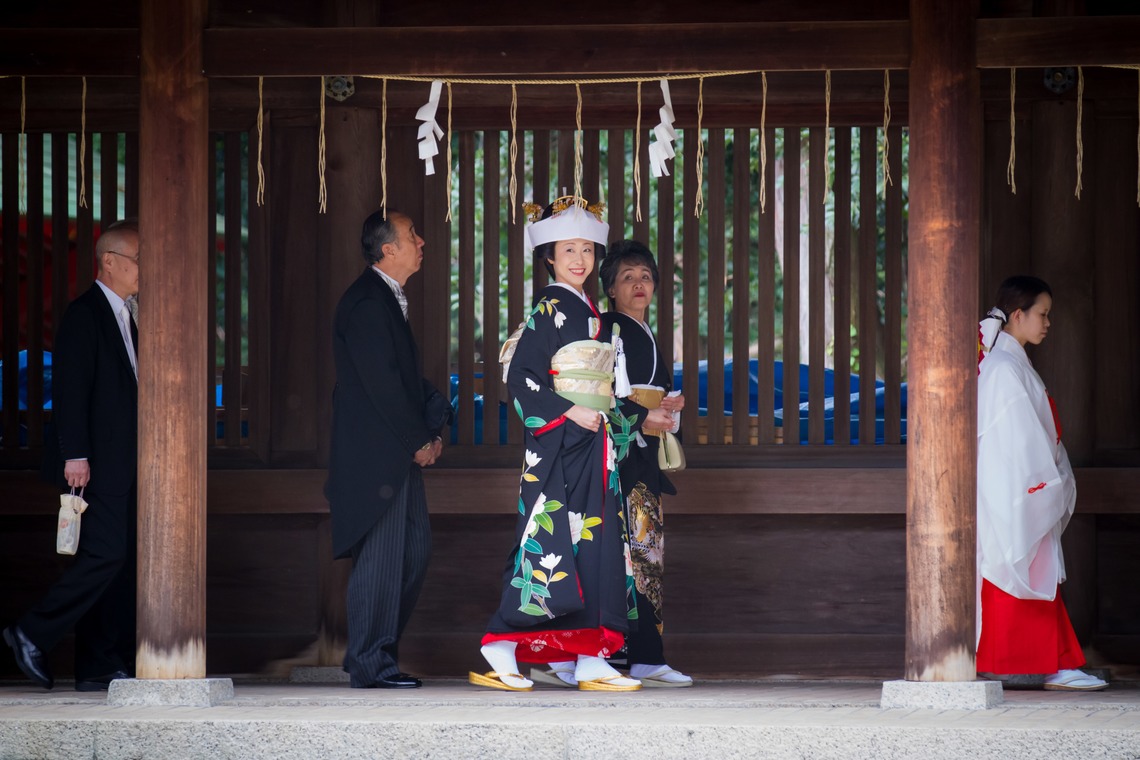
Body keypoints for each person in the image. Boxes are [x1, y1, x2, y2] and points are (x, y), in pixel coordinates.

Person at [472, 198, 674, 692]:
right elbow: (521, 377)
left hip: (590, 443)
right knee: (551, 548)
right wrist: (568, 412)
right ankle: (500, 642)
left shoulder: (589, 312)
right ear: (549, 256)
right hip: (561, 447)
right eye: (568, 249)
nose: (579, 258)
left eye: (586, 248)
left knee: (595, 550)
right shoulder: (551, 306)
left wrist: (607, 413)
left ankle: (588, 655)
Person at [3, 219, 140, 692]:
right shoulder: (86, 314)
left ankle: (101, 664)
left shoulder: (130, 314)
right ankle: (30, 632)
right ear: (109, 261)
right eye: (141, 261)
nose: (148, 271)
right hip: (91, 464)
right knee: (106, 554)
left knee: (120, 561)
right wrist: (75, 455)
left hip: (122, 464)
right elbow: (70, 392)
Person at [325, 210, 451, 689]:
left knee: (413, 553)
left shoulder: (386, 299)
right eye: (413, 235)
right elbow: (382, 384)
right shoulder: (366, 302)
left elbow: (399, 378)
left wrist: (435, 418)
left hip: (394, 455)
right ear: (388, 250)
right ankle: (370, 663)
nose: (423, 241)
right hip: (376, 457)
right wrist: (419, 439)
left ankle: (372, 653)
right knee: (381, 559)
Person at [975, 275, 1107, 691]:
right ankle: (1051, 663)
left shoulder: (1010, 362)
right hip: (1015, 485)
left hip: (1024, 482)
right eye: (1043, 314)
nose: (1048, 323)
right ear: (1018, 315)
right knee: (1022, 566)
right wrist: (1041, 482)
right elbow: (1013, 436)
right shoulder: (1002, 367)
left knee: (1031, 569)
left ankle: (1057, 661)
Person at [592, 239, 692, 688]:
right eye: (628, 277)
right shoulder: (605, 329)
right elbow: (596, 394)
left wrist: (672, 405)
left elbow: (657, 390)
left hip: (641, 458)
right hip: (617, 464)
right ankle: (625, 653)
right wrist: (641, 414)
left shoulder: (641, 331)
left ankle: (646, 653)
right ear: (610, 288)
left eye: (645, 277)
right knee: (626, 558)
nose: (639, 284)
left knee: (645, 557)